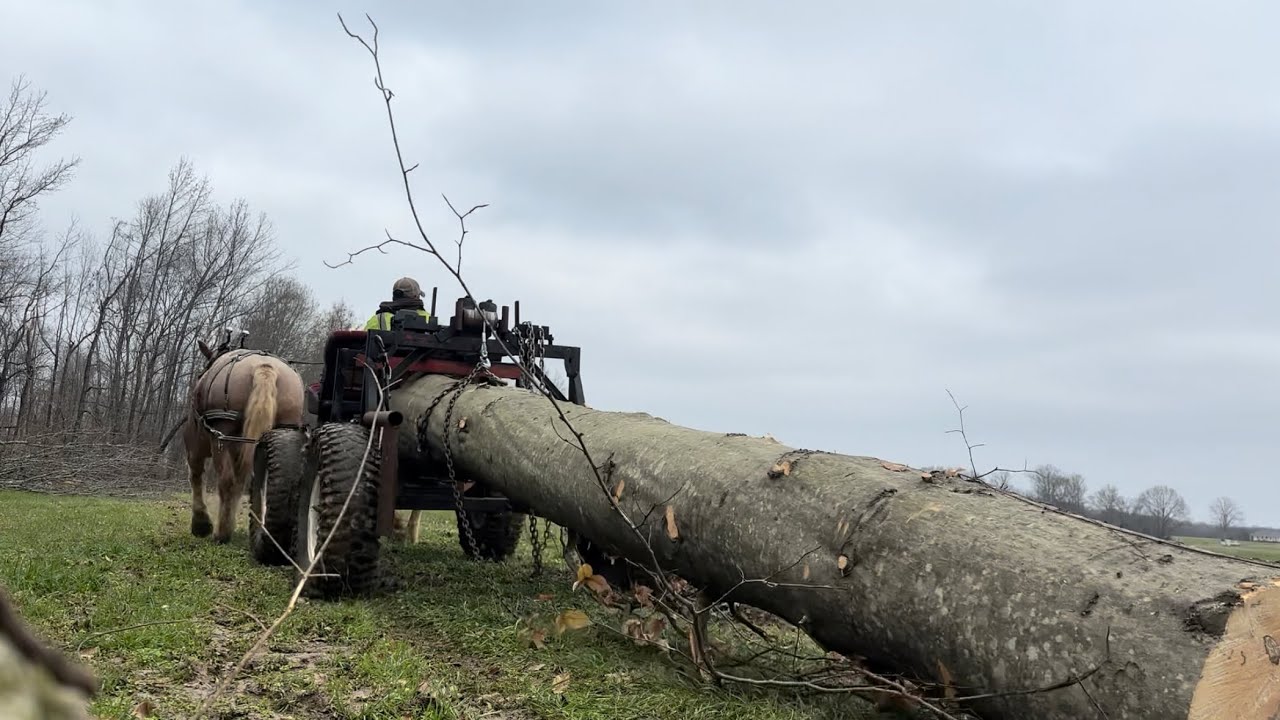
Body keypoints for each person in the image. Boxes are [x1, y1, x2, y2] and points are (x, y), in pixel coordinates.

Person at [365, 277, 431, 330]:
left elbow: (361, 342)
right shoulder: (429, 319)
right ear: (416, 296)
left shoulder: (378, 319)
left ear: (394, 296)